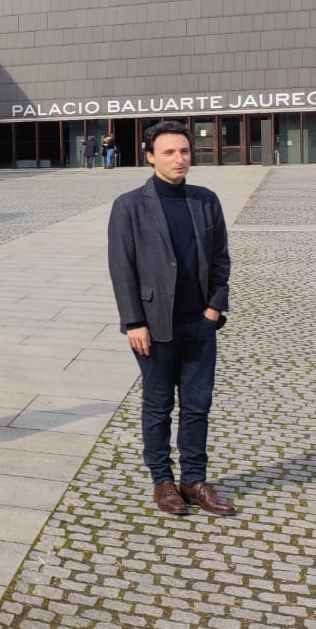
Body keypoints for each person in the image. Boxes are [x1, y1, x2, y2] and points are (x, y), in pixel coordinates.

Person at [107, 120, 235, 516]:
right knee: (158, 405)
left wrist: (214, 308)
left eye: (184, 151)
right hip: (153, 327)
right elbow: (122, 267)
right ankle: (162, 481)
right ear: (150, 157)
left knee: (198, 405)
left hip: (199, 324)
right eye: (169, 152)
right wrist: (134, 322)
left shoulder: (205, 200)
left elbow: (220, 259)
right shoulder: (129, 205)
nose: (180, 159)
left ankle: (194, 480)